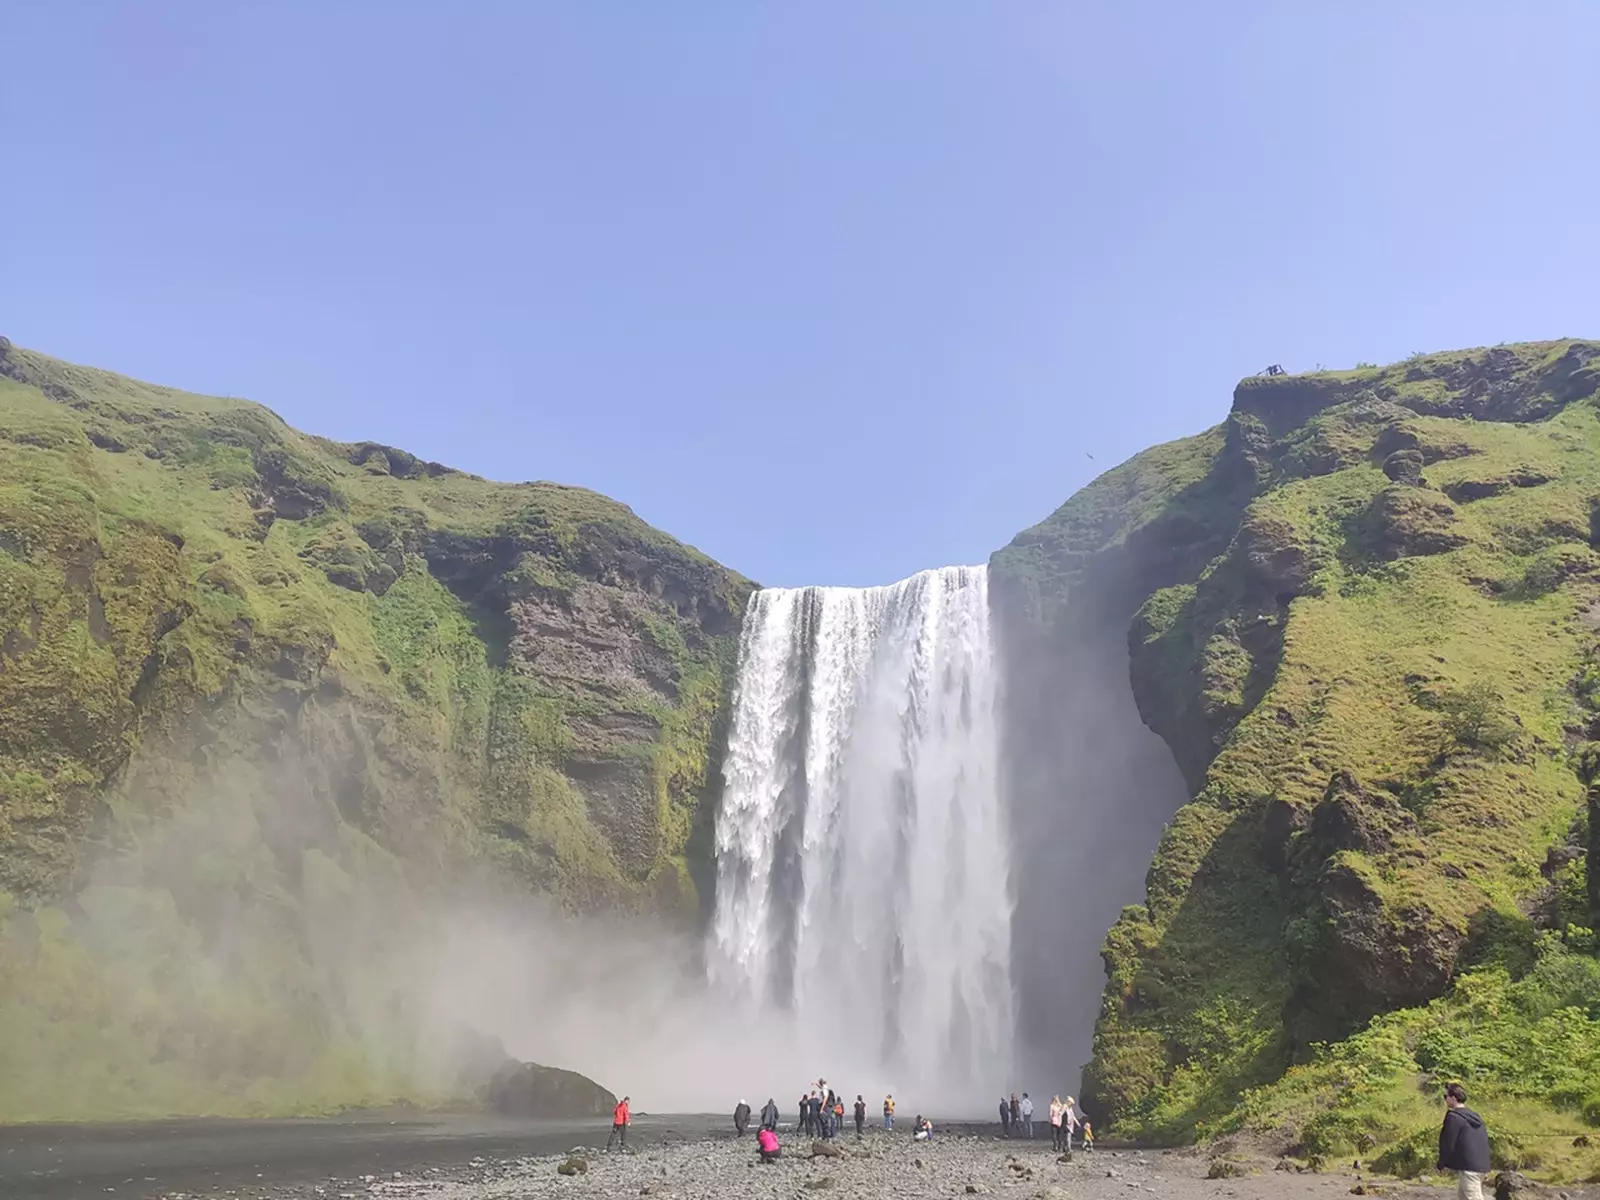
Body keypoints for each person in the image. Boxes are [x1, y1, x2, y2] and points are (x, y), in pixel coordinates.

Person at [1437, 1083, 1490, 1200]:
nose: (1445, 1099)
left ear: (1454, 1098)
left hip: (1469, 1168)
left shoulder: (1454, 1117)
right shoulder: (1475, 1116)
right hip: (1481, 1164)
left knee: (1474, 1197)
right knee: (1463, 1197)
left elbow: (1447, 1143)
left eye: (1446, 1096)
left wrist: (1441, 1164)